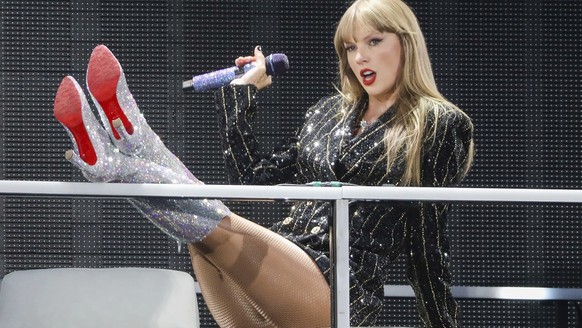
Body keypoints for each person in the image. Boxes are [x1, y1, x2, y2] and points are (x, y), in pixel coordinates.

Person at [53, 0, 474, 327]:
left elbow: (427, 243)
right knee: (197, 232)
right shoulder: (328, 113)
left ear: (406, 42)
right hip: (278, 264)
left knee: (211, 223)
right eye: (349, 47)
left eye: (373, 42)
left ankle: (123, 150)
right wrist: (241, 93)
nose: (359, 57)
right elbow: (252, 178)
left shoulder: (437, 124)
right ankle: (122, 147)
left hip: (334, 292)